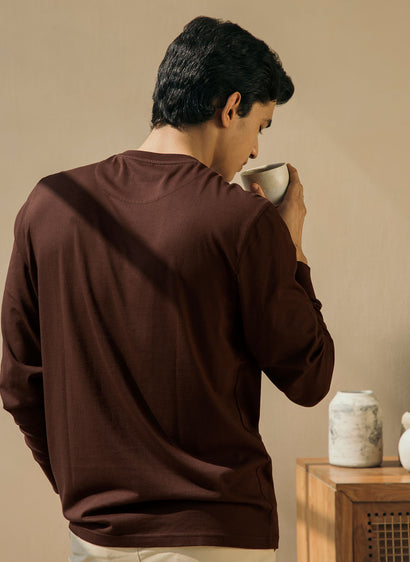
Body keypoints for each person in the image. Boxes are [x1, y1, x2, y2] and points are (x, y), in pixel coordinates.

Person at [0, 15, 334, 562]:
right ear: (230, 108)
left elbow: (19, 385)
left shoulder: (49, 206)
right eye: (261, 125)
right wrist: (292, 247)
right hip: (216, 539)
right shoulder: (243, 221)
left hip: (95, 539)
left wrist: (86, 496)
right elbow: (310, 375)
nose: (255, 151)